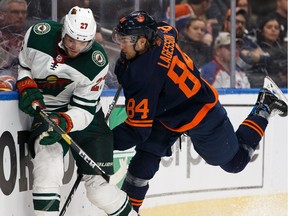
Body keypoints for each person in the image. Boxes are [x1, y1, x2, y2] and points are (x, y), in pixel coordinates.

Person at [111, 10, 287, 213]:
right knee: (143, 163)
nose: (120, 45)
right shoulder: (162, 34)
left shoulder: (144, 75)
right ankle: (128, 212)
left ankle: (265, 104)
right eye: (120, 38)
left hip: (201, 112)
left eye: (125, 40)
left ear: (142, 42)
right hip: (167, 112)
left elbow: (136, 130)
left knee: (235, 163)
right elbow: (170, 29)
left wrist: (103, 142)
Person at [16, 6, 137, 216]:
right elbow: (24, 65)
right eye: (71, 39)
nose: (75, 47)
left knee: (98, 191)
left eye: (83, 42)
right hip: (47, 110)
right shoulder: (38, 35)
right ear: (63, 30)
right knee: (48, 166)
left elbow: (84, 109)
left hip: (84, 117)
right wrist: (26, 84)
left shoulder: (96, 62)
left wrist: (64, 121)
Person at [223, 7, 271, 87]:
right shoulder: (223, 40)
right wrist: (253, 55)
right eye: (237, 22)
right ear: (226, 23)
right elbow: (244, 61)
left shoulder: (248, 40)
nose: (240, 25)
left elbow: (267, 58)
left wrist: (249, 55)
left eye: (242, 23)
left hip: (253, 78)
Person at [0, 0, 28, 88]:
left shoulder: (29, 38)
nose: (20, 16)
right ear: (1, 14)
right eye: (15, 12)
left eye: (23, 12)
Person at [256, 16, 287, 88]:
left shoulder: (284, 49)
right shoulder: (256, 49)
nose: (273, 30)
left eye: (276, 28)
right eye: (269, 27)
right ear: (262, 31)